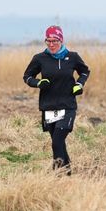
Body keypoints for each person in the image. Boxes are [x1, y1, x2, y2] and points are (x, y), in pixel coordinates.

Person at [21, 25, 90, 175]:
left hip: (68, 106)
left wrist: (79, 84)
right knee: (58, 143)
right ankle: (67, 173)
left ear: (61, 40)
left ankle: (57, 175)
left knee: (57, 141)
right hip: (48, 107)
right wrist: (38, 83)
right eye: (48, 41)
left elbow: (85, 71)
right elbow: (27, 77)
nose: (51, 44)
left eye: (55, 41)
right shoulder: (39, 58)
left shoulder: (72, 57)